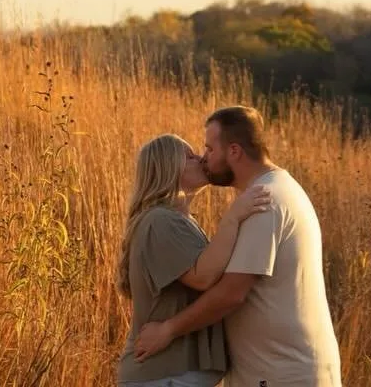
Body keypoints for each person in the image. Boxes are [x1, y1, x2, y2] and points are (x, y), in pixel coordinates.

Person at [134, 105, 341, 387]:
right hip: (276, 371)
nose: (205, 158)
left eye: (209, 149)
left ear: (234, 151)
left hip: (282, 374)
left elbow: (232, 293)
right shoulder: (277, 189)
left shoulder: (265, 201)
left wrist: (168, 330)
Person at [117, 131, 274, 387]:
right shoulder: (160, 221)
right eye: (189, 156)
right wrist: (233, 217)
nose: (201, 159)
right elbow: (203, 277)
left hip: (171, 376)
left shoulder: (179, 221)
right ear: (167, 168)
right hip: (162, 375)